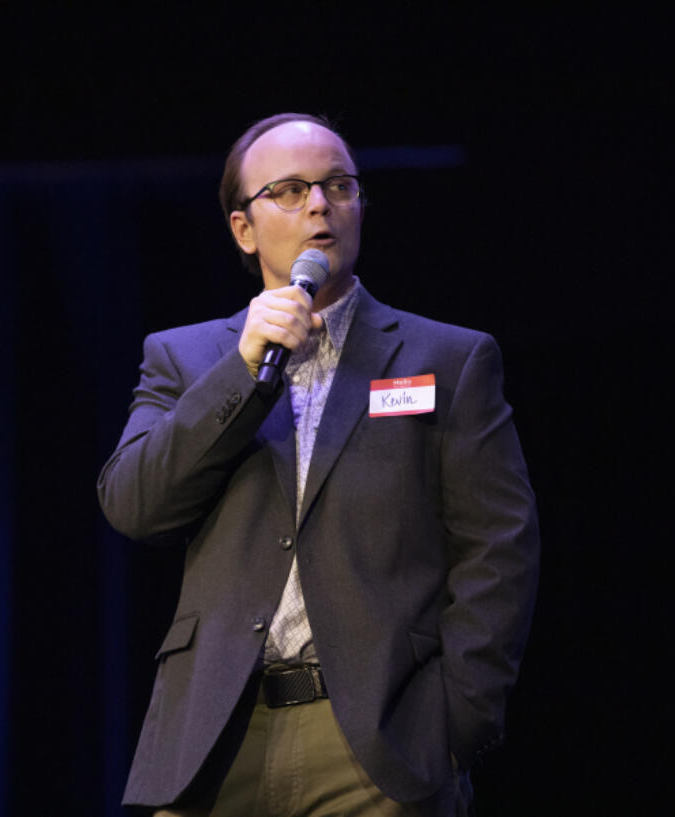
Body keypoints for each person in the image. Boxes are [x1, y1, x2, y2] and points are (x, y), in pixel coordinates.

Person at [96, 113, 540, 816]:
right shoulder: (184, 359)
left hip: (379, 743)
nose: (319, 205)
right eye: (292, 189)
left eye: (339, 185)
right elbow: (133, 503)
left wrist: (456, 724)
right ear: (244, 228)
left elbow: (500, 548)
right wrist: (241, 373)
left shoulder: (448, 360)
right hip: (214, 739)